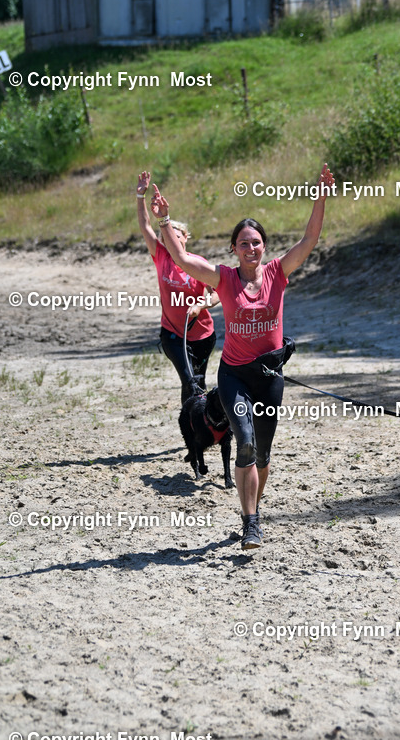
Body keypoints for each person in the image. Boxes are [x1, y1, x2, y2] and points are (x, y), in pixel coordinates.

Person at [152, 163, 335, 551]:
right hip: (234, 376)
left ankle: (254, 509)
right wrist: (165, 220)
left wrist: (320, 197)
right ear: (234, 249)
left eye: (256, 242)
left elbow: (310, 239)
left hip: (269, 378)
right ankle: (250, 522)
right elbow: (183, 259)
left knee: (263, 454)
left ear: (263, 246)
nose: (251, 248)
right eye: (243, 243)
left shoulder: (277, 273)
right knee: (245, 443)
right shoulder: (224, 278)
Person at [136, 170, 217, 404]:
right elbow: (145, 226)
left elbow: (217, 294)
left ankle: (199, 421)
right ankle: (191, 426)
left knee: (198, 381)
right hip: (172, 333)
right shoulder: (160, 256)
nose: (170, 239)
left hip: (202, 334)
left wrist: (202, 305)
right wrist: (140, 196)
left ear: (185, 238)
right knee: (189, 379)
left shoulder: (198, 263)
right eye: (167, 236)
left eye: (177, 235)